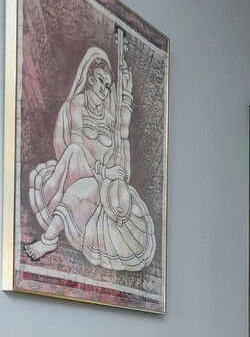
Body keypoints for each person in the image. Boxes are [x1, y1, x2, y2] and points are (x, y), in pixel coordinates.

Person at [24, 32, 157, 272]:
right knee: (76, 155)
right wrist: (103, 171)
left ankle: (48, 239)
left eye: (108, 84)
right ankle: (49, 238)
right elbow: (77, 146)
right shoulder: (78, 104)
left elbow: (123, 135)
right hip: (79, 167)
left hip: (101, 183)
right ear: (90, 79)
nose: (104, 88)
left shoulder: (110, 116)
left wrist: (126, 93)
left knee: (85, 189)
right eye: (100, 81)